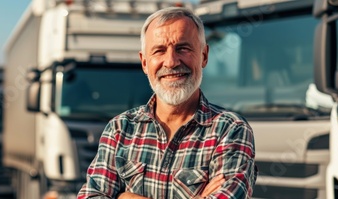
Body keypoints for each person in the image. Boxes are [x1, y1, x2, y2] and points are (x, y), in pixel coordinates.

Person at [77, 7, 257, 199]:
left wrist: (126, 197)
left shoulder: (230, 130)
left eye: (183, 48)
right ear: (144, 63)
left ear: (204, 56)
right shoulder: (120, 129)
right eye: (159, 50)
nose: (171, 62)